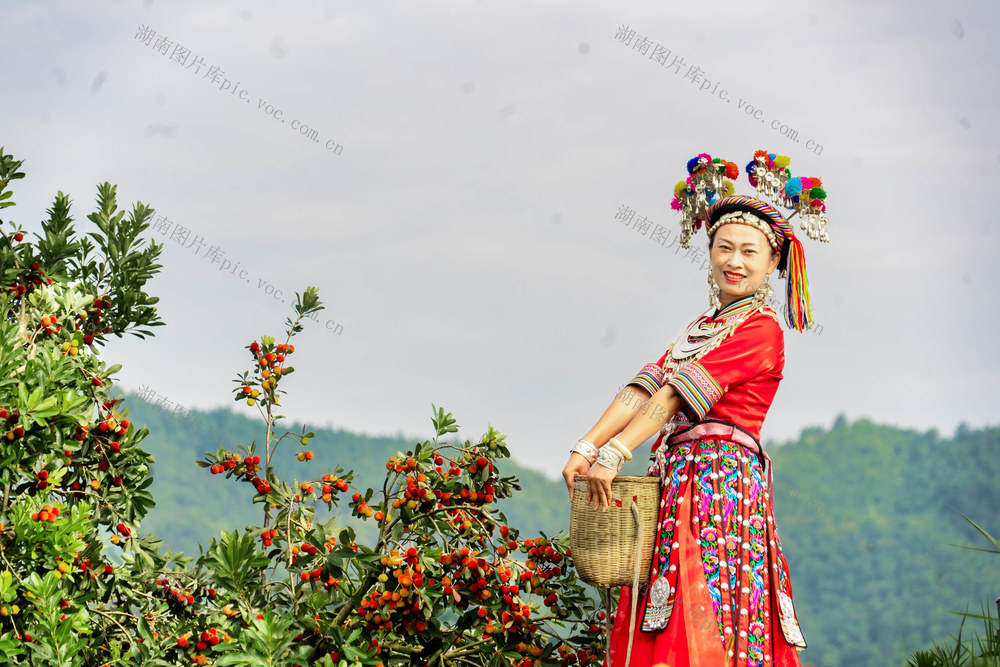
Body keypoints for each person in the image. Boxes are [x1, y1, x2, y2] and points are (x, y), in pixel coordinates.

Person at [562, 151, 830, 667]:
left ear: (775, 261)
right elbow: (643, 387)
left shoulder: (761, 330)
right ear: (708, 253)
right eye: (724, 247)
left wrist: (616, 453)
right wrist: (586, 444)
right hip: (678, 483)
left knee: (709, 601)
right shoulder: (698, 329)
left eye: (751, 251)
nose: (736, 261)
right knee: (670, 602)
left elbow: (676, 395)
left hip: (721, 486)